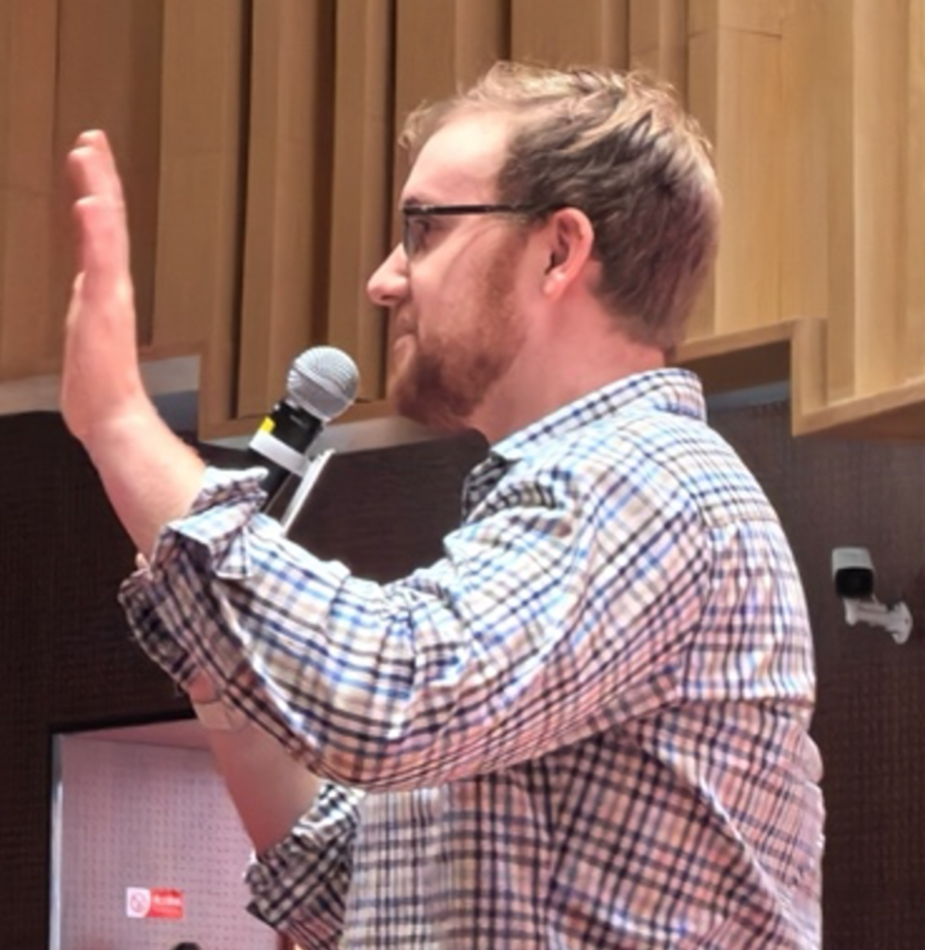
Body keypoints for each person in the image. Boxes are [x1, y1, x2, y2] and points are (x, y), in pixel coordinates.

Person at [61, 61, 824, 949]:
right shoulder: (573, 500)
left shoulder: (647, 478)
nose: (385, 280)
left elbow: (389, 695)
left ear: (558, 251)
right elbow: (341, 884)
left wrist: (122, 421)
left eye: (423, 230)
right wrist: (214, 657)